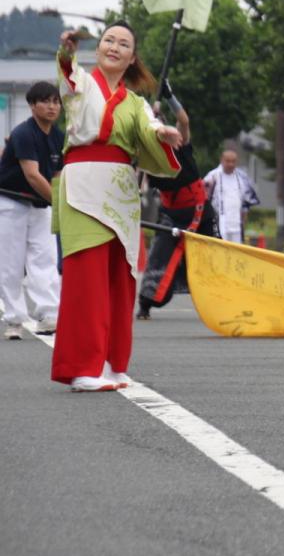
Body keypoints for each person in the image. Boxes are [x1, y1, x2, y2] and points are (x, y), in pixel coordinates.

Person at [51, 23, 183, 391]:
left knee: (121, 279)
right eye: (109, 40)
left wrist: (164, 134)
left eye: (123, 43)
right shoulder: (79, 82)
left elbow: (151, 128)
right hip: (83, 185)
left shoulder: (136, 103)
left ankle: (112, 362)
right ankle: (82, 367)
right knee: (86, 279)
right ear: (98, 49)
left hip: (122, 191)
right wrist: (66, 50)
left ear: (132, 57)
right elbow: (64, 69)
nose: (114, 47)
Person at [137, 92, 216, 319]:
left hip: (200, 210)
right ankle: (145, 305)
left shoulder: (181, 143)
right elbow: (137, 182)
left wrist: (170, 97)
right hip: (171, 214)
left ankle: (221, 301)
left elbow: (183, 121)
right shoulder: (147, 158)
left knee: (214, 255)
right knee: (158, 258)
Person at [0, 80, 63, 340]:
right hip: (11, 202)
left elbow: (58, 175)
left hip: (41, 204)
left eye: (55, 101)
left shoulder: (59, 137)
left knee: (45, 259)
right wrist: (59, 204)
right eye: (45, 101)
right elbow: (33, 175)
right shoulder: (23, 133)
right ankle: (14, 319)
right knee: (11, 264)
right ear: (32, 105)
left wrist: (61, 200)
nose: (51, 107)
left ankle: (48, 315)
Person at [203, 148, 258, 243]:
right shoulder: (212, 176)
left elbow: (246, 202)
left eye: (233, 161)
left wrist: (244, 220)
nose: (230, 164)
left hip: (236, 223)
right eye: (228, 161)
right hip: (218, 221)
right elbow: (204, 199)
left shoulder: (242, 178)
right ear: (222, 160)